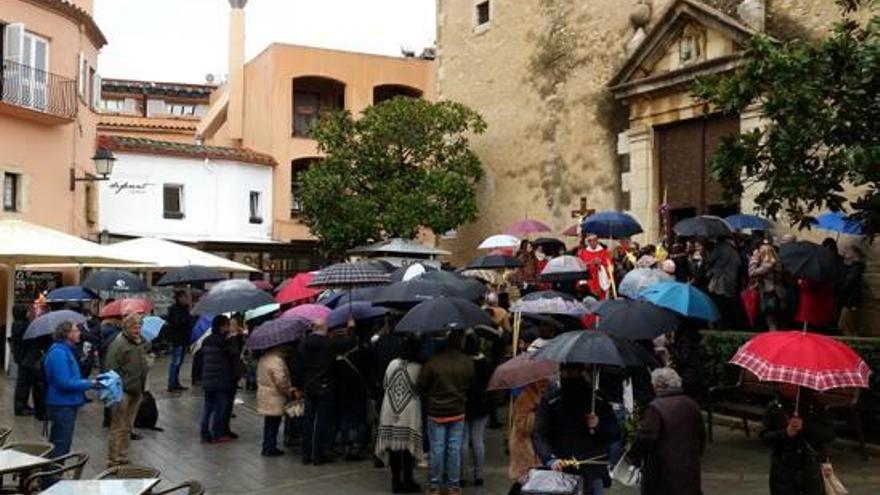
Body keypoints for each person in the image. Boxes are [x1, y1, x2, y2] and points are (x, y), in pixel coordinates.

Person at [533, 364, 620, 495]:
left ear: (581, 373)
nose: (569, 376)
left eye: (573, 372)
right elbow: (539, 434)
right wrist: (550, 459)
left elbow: (614, 433)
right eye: (566, 372)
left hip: (592, 469)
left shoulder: (598, 401)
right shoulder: (551, 401)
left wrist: (598, 425)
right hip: (562, 469)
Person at [629, 368, 705, 495]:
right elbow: (701, 437)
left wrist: (633, 455)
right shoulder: (691, 404)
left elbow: (645, 439)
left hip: (662, 471)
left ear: (658, 386)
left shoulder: (656, 408)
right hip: (689, 469)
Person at [417, 330, 475, 495]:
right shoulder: (467, 362)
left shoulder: (433, 362)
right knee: (454, 448)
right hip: (457, 409)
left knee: (437, 448)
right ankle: (454, 486)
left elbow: (421, 385)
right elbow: (471, 383)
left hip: (436, 410)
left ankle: (435, 485)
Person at [761, 386, 835, 495]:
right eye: (783, 382)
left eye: (790, 383)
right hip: (783, 469)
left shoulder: (815, 406)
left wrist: (805, 426)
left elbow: (830, 434)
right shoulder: (774, 407)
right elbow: (765, 437)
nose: (786, 385)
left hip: (811, 468)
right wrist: (785, 433)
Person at [376, 336, 423, 494]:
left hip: (390, 408)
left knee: (394, 448)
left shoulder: (392, 363)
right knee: (407, 449)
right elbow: (420, 389)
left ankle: (395, 481)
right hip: (409, 409)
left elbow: (385, 384)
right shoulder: (419, 367)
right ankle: (408, 481)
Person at [44, 321, 98, 458]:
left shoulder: (66, 350)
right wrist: (90, 383)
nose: (79, 333)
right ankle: (51, 476)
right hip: (62, 403)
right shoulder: (59, 353)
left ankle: (51, 473)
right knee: (61, 443)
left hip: (66, 402)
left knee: (61, 442)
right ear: (67, 334)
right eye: (76, 330)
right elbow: (64, 382)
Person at [105, 313, 149, 467]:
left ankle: (123, 455)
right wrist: (117, 390)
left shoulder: (140, 342)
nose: (137, 329)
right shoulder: (119, 344)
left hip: (136, 389)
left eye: (139, 326)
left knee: (128, 426)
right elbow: (110, 368)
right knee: (118, 426)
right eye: (133, 326)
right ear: (126, 328)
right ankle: (112, 458)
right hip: (122, 391)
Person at [294, 321, 338, 465]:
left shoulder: (303, 344)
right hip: (325, 385)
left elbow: (298, 366)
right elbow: (333, 365)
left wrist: (297, 386)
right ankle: (318, 454)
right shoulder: (330, 344)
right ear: (324, 328)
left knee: (308, 419)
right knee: (322, 421)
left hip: (308, 385)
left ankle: (306, 454)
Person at [200, 315, 238, 444]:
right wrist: (233, 337)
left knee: (208, 408)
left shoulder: (206, 340)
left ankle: (204, 433)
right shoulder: (224, 341)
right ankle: (217, 434)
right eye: (227, 325)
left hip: (207, 379)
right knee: (220, 408)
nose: (228, 327)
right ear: (222, 327)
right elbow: (234, 353)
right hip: (221, 380)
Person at [507, 380, 548, 495]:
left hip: (537, 447)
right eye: (540, 380)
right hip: (525, 448)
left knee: (534, 482)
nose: (543, 383)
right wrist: (537, 414)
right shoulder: (525, 398)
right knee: (526, 481)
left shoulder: (545, 395)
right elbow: (522, 427)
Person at [463, 333, 491, 487]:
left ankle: (460, 474)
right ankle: (479, 474)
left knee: (463, 442)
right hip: (481, 404)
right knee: (478, 441)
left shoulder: (461, 362)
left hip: (464, 404)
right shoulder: (484, 362)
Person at [256, 343, 293, 457]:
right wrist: (289, 391)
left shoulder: (264, 358)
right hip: (274, 396)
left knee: (269, 422)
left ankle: (267, 446)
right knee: (273, 423)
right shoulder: (276, 360)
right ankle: (269, 448)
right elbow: (281, 380)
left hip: (265, 394)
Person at [748, 243, 786, 330]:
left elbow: (752, 273)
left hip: (769, 293)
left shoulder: (768, 265)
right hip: (777, 292)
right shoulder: (777, 262)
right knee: (775, 318)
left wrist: (754, 259)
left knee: (771, 319)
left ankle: (773, 337)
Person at [706, 237, 742, 328]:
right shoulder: (734, 250)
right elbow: (739, 263)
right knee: (727, 302)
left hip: (719, 279)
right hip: (731, 280)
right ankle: (725, 323)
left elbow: (710, 259)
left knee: (717, 301)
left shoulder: (719, 248)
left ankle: (715, 322)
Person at [165, 290, 193, 392]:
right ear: (179, 298)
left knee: (179, 362)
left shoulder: (185, 309)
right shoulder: (174, 309)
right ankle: (171, 384)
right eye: (185, 297)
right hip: (177, 339)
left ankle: (176, 383)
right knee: (175, 362)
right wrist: (188, 317)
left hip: (183, 339)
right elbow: (178, 322)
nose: (187, 299)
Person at [11, 304, 36, 416]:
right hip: (25, 358)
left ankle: (22, 405)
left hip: (20, 357)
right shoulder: (24, 325)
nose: (29, 313)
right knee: (23, 384)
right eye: (27, 311)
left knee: (23, 383)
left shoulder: (16, 323)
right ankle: (21, 407)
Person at [836, 245, 865, 336]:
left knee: (842, 325)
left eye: (849, 251)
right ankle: (857, 346)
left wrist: (838, 290)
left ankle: (851, 347)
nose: (846, 252)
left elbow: (848, 283)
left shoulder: (856, 268)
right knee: (850, 327)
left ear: (855, 254)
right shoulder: (852, 267)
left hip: (851, 302)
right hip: (848, 301)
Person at [578, 234, 612, 299]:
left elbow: (610, 266)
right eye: (590, 241)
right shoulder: (583, 253)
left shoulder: (604, 252)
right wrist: (591, 263)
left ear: (597, 241)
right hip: (589, 281)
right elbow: (580, 266)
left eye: (594, 240)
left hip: (600, 280)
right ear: (588, 242)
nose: (592, 242)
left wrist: (600, 265)